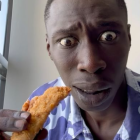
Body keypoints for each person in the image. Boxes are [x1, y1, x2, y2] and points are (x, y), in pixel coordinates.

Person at [0, 0, 140, 139]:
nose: (90, 64)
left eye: (108, 36)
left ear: (128, 37)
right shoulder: (38, 110)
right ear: (49, 49)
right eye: (67, 41)